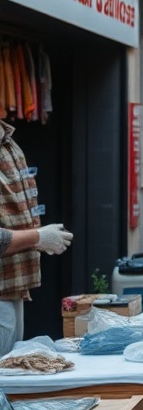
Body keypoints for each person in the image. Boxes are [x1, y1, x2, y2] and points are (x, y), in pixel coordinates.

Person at [0, 119, 74, 356]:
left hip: (11, 287)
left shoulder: (8, 140)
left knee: (7, 379)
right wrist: (36, 237)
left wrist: (38, 238)